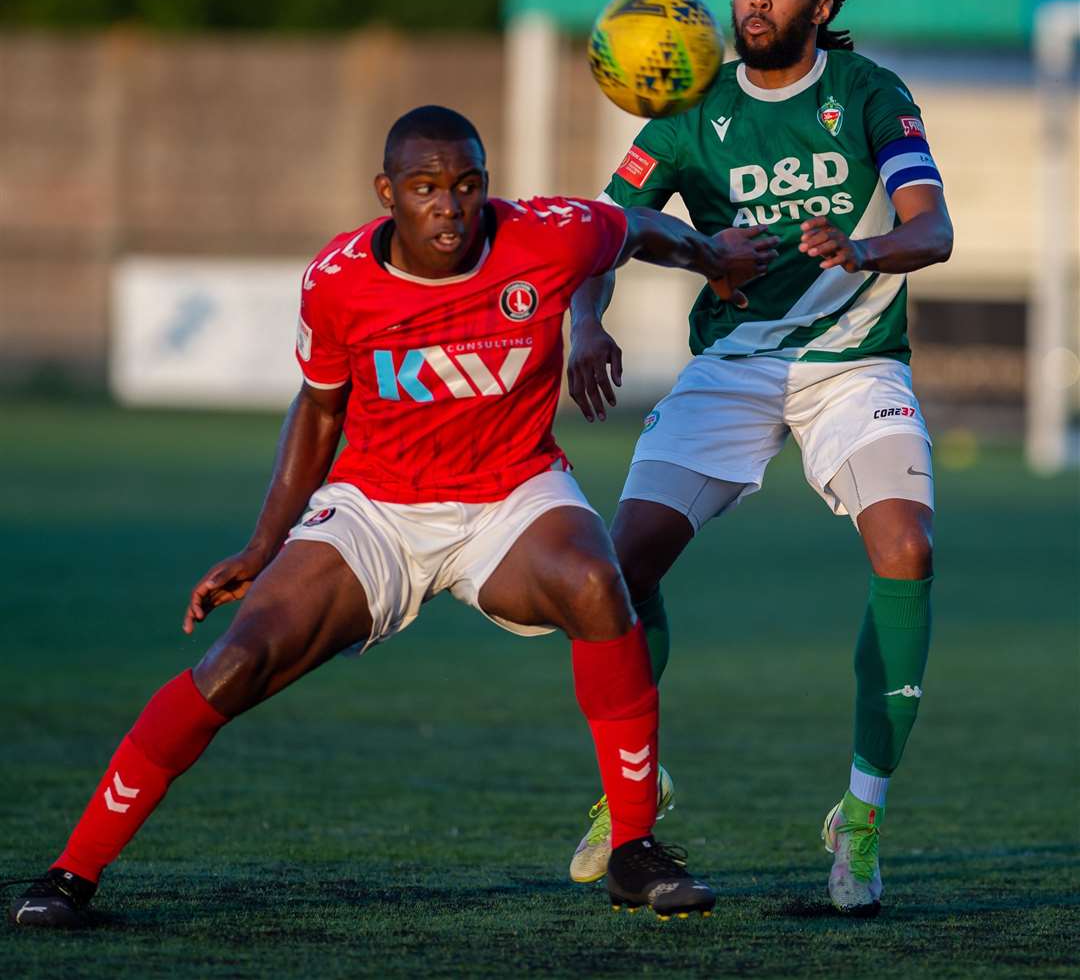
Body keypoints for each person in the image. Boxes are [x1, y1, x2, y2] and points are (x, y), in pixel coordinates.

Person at [7, 105, 782, 929]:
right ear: (388, 193)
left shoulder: (547, 234)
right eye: (425, 188)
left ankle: (633, 849)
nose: (449, 205)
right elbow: (318, 412)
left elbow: (631, 227)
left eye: (466, 185)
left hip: (511, 494)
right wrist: (263, 546)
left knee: (597, 581)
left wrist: (709, 256)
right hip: (377, 509)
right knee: (236, 664)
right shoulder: (338, 280)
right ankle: (71, 873)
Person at [566, 0, 953, 917]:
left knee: (906, 550)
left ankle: (859, 817)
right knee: (617, 570)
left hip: (855, 365)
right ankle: (634, 797)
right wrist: (591, 325)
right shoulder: (689, 112)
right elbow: (603, 238)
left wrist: (860, 254)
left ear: (821, 9)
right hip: (734, 365)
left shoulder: (868, 96)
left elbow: (932, 228)